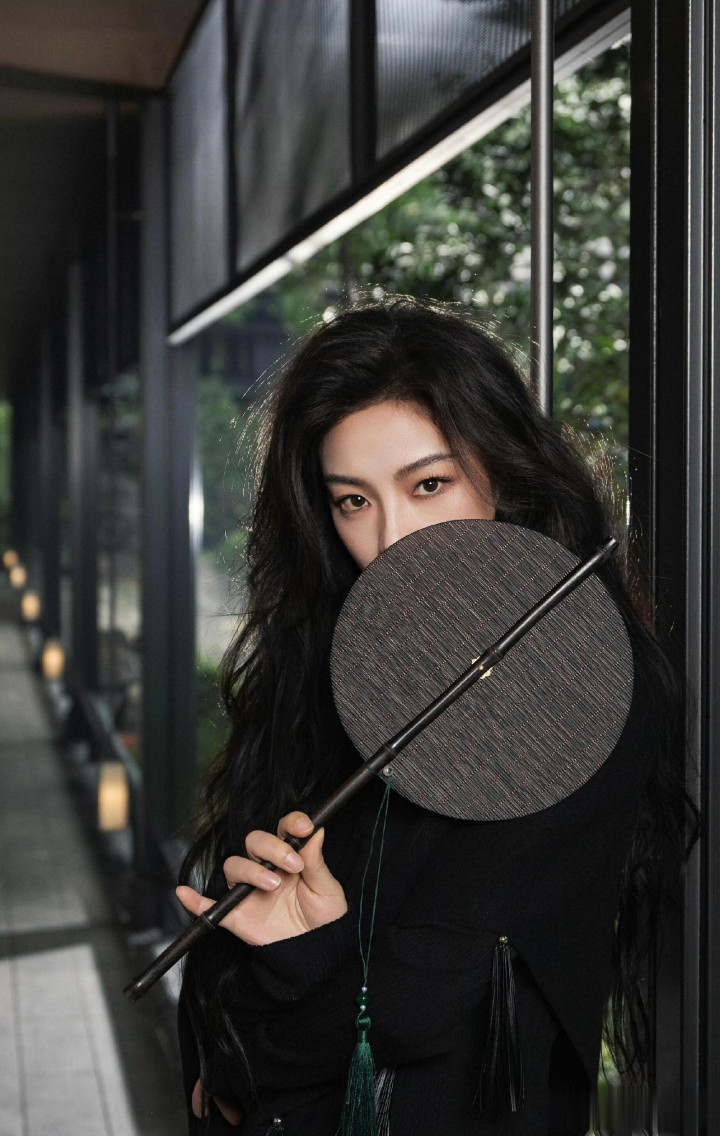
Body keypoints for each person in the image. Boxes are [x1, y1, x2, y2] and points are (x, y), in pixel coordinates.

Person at [176, 295, 692, 1135]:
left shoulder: (581, 674)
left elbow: (422, 990)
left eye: (428, 485)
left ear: (502, 470)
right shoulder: (341, 652)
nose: (393, 538)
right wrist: (284, 961)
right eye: (353, 501)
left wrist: (247, 1057)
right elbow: (274, 930)